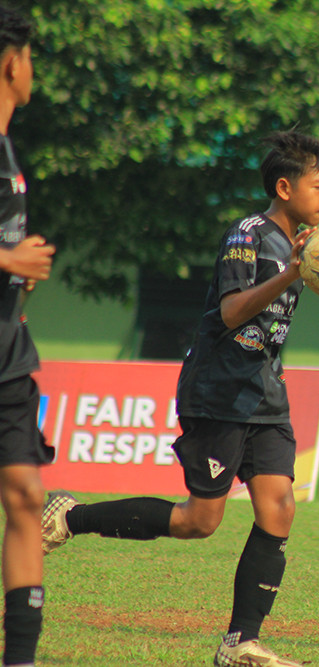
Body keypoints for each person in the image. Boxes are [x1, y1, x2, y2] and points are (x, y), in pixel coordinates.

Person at [41, 130, 319, 667]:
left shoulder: (304, 245)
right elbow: (230, 313)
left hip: (266, 396)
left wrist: (308, 266)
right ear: (284, 186)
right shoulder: (247, 234)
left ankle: (240, 643)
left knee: (280, 509)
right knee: (198, 522)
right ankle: (72, 515)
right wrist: (294, 273)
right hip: (217, 393)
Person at [0, 7, 56, 667]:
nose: (32, 70)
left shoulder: (10, 149)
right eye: (31, 58)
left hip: (9, 355)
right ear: (12, 62)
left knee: (26, 494)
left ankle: (20, 659)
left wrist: (19, 272)